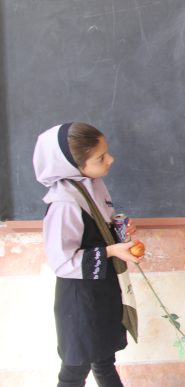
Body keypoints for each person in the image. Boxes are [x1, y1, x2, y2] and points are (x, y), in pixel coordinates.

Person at [33, 123, 141, 387]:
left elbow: (96, 230)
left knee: (104, 360)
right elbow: (62, 262)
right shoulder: (64, 203)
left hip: (100, 291)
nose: (110, 159)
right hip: (80, 300)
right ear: (74, 166)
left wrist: (118, 230)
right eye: (100, 158)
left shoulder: (92, 185)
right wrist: (111, 250)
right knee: (74, 369)